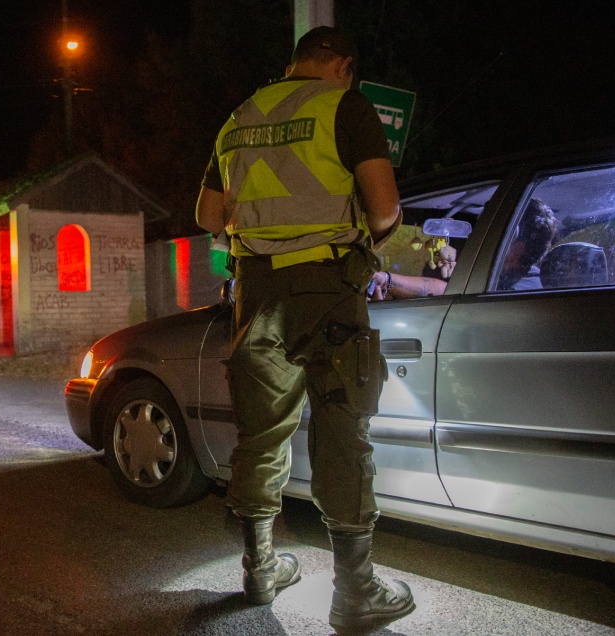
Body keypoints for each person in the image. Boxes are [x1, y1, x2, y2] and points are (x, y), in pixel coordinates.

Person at [195, 26, 414, 634]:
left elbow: (208, 217)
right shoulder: (345, 105)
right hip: (326, 290)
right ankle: (356, 593)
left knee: (261, 432)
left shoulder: (238, 117)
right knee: (343, 429)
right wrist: (366, 241)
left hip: (255, 292)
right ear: (340, 65)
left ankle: (260, 571)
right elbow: (386, 205)